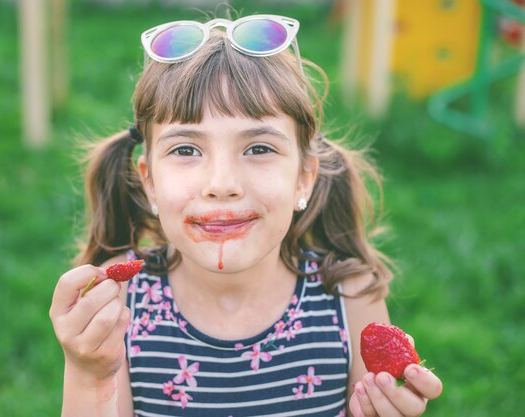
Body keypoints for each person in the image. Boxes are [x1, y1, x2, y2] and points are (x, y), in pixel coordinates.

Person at [49, 14, 443, 417]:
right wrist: (89, 375)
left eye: (258, 149)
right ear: (149, 183)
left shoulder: (351, 298)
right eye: (186, 150)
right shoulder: (121, 305)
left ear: (304, 179)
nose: (222, 183)